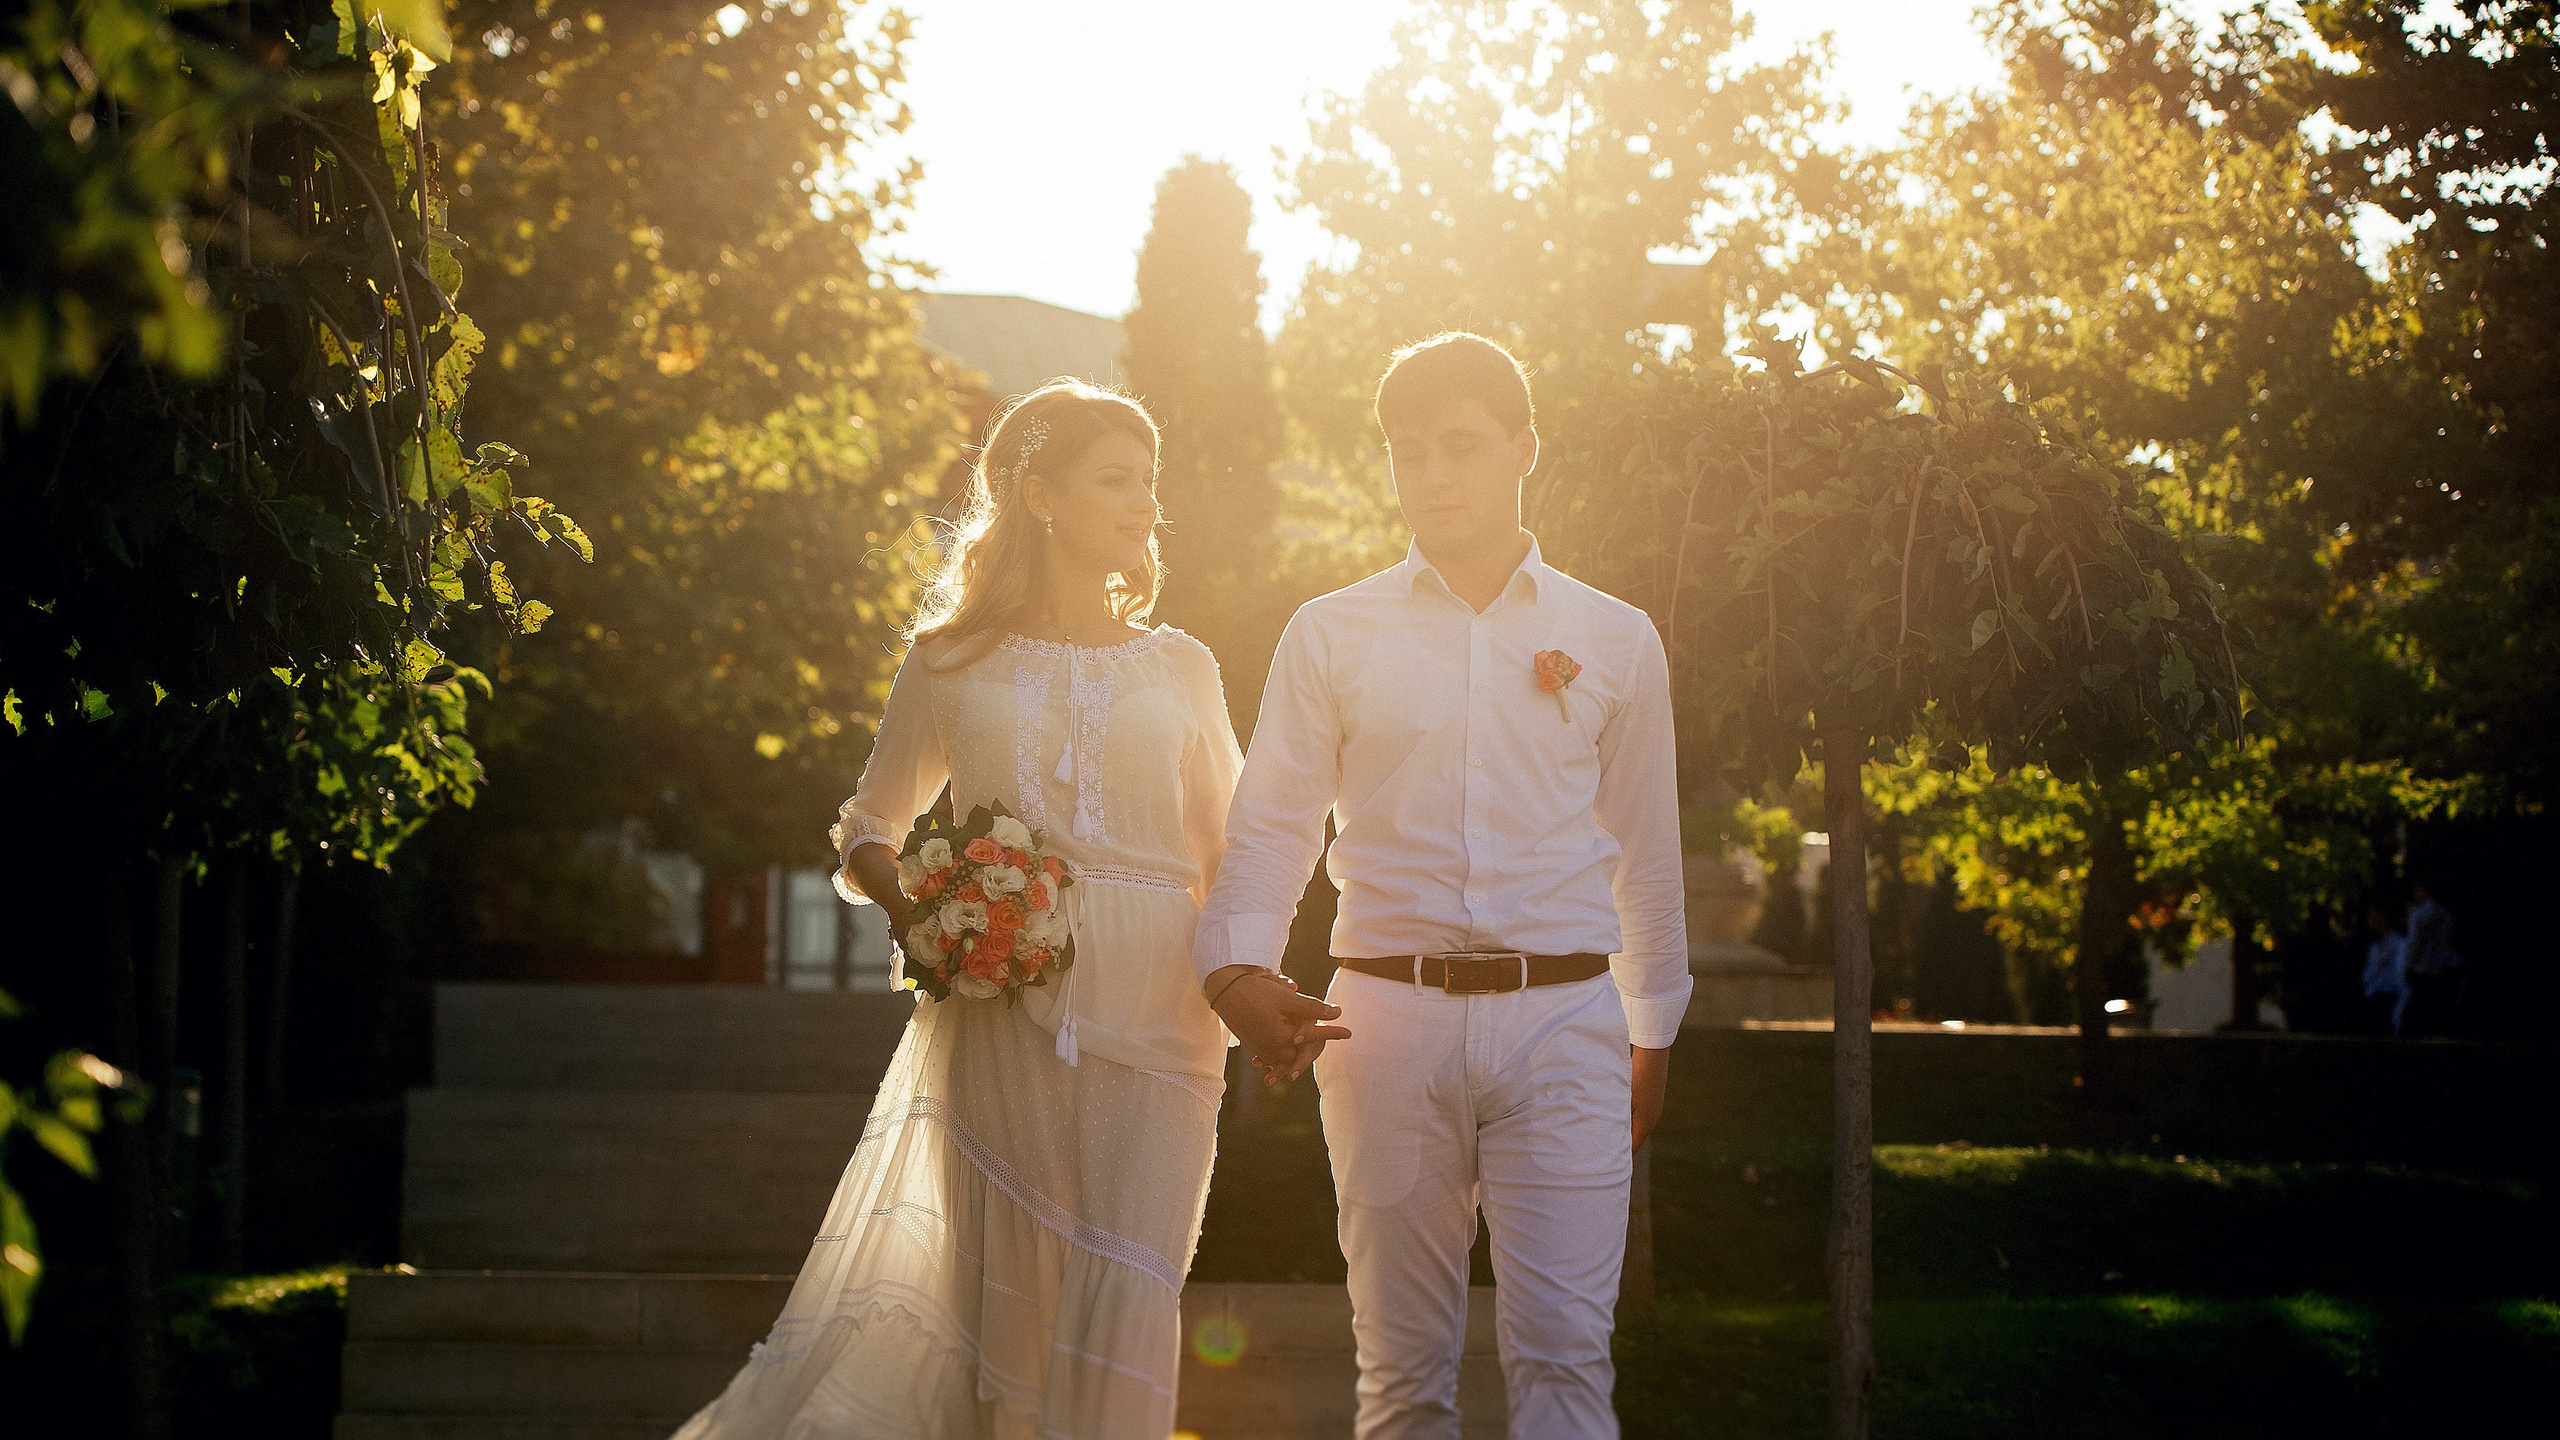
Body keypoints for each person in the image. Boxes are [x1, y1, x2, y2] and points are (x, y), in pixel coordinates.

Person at [672, 379, 1346, 1440]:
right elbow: (869, 823)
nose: (1145, 504)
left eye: (1150, 482)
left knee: (1131, 1277)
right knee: (1007, 1303)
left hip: (1161, 1016)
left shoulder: (1183, 665)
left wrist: (1247, 983)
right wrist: (927, 920)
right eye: (1115, 479)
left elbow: (1232, 853)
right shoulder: (949, 657)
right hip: (998, 1014)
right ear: (1039, 494)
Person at [1198, 333, 1692, 1439]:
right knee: (1403, 1376)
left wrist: (1652, 1030)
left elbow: (1645, 854)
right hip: (1384, 1023)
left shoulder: (1615, 638)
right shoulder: (1329, 633)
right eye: (1408, 450)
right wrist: (1234, 968)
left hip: (1566, 1024)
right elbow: (1270, 828)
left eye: (1461, 445)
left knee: (1567, 1363)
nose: (1433, 473)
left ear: (1525, 449)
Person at [2401, 880, 2463, 1037]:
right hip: (2441, 967)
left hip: (2423, 968)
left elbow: (2414, 943)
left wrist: (2408, 966)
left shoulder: (2418, 914)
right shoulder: (2446, 914)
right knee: (2437, 1008)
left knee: (2421, 1007)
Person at [2360, 903, 2407, 1037]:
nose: (2371, 923)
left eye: (2374, 918)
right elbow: (2369, 973)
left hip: (2388, 997)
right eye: (2370, 918)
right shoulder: (2374, 946)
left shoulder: (2398, 944)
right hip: (2373, 996)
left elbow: (2399, 975)